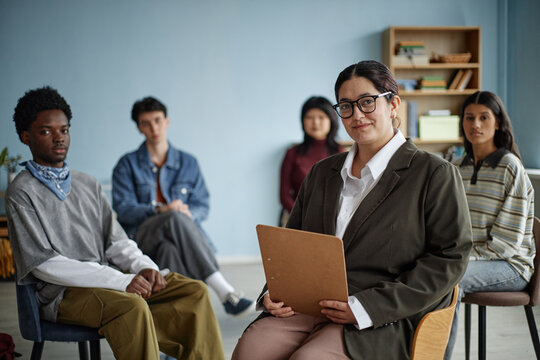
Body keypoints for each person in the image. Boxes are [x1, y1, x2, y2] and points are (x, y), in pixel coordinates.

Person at [232, 60, 472, 360]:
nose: (357, 114)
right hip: (309, 304)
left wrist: (364, 308)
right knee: (250, 351)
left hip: (380, 315)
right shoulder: (321, 172)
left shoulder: (434, 173)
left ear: (393, 104)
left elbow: (450, 257)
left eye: (367, 102)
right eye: (346, 106)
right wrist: (274, 293)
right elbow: (290, 246)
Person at [5, 86, 224, 360]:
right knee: (132, 306)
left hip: (109, 282)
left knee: (195, 292)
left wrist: (144, 266)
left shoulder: (87, 183)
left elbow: (117, 241)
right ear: (26, 136)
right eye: (46, 131)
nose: (59, 138)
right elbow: (45, 265)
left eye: (64, 129)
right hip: (61, 295)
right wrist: (121, 280)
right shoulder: (21, 191)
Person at [112, 96, 254, 316]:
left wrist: (188, 213)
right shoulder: (126, 164)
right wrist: (162, 210)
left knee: (169, 250)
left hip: (176, 240)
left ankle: (170, 340)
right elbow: (123, 209)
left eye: (158, 120)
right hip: (141, 236)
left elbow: (202, 205)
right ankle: (225, 291)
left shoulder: (189, 162)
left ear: (167, 121)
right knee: (174, 217)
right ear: (139, 128)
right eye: (146, 123)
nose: (154, 128)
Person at [444, 91, 535, 359]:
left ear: (498, 123)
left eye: (484, 117)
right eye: (469, 118)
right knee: (424, 274)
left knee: (449, 282)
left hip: (511, 266)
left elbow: (506, 246)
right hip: (470, 260)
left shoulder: (510, 167)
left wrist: (456, 262)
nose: (476, 125)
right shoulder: (457, 167)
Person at [279, 96, 343, 226]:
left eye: (321, 117)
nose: (315, 122)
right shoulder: (292, 153)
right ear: (302, 121)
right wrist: (303, 218)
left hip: (331, 221)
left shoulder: (340, 153)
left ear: (331, 120)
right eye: (309, 117)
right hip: (295, 219)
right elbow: (284, 196)